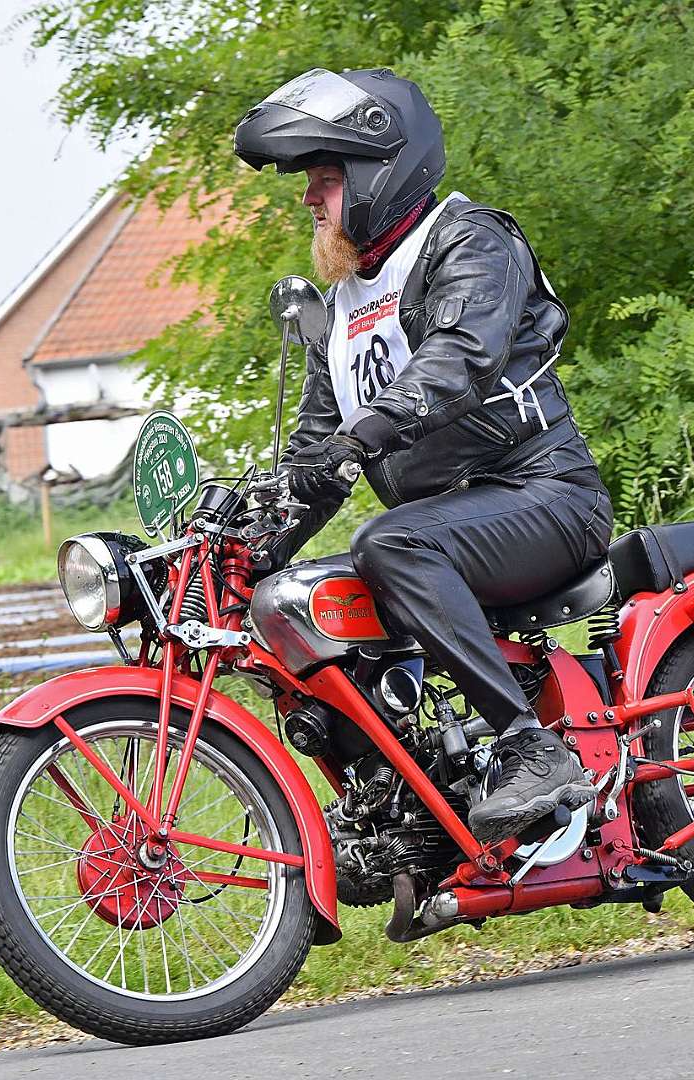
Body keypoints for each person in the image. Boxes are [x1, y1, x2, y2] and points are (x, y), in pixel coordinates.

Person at [234, 67, 614, 843]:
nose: (309, 200)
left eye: (324, 180)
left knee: (390, 542)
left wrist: (366, 433)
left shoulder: (471, 239)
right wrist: (250, 545)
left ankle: (530, 749)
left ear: (379, 173)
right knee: (304, 592)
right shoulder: (342, 308)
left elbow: (461, 356)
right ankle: (394, 799)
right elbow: (316, 453)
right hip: (452, 524)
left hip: (544, 495)